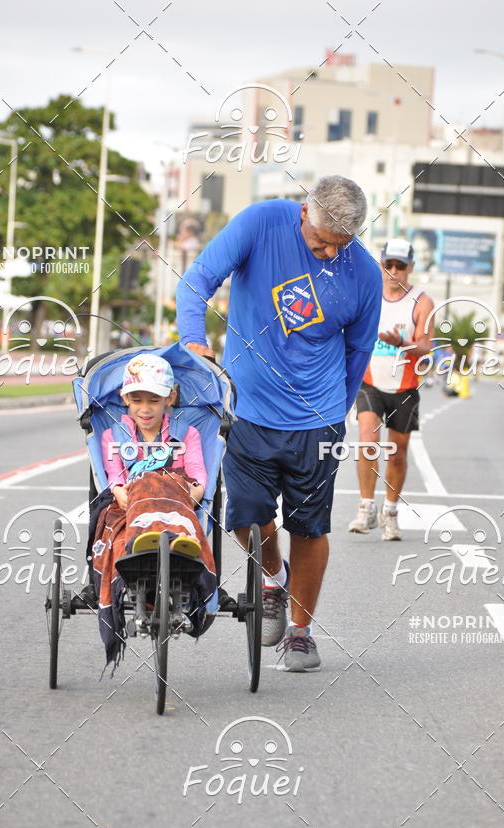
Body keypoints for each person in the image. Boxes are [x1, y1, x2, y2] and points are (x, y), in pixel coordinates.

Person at [176, 175, 382, 672]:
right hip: (249, 409)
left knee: (309, 527)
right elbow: (197, 280)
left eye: (341, 245)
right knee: (246, 518)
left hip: (319, 420)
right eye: (321, 243)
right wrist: (192, 340)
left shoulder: (366, 275)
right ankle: (271, 576)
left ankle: (301, 632)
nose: (331, 254)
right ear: (304, 214)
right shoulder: (261, 222)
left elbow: (358, 353)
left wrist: (335, 410)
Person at [92, 353, 217, 670]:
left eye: (154, 399)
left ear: (170, 397)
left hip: (176, 502)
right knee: (144, 484)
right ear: (125, 399)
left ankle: (176, 544)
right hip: (129, 506)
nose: (145, 408)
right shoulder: (113, 436)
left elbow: (199, 476)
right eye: (137, 400)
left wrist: (195, 492)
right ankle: (143, 544)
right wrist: (121, 491)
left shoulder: (186, 433)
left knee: (167, 482)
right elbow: (115, 478)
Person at [348, 238, 434, 541]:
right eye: (388, 264)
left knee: (397, 453)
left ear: (410, 267)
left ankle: (391, 512)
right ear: (381, 265)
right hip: (370, 382)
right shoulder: (369, 294)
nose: (393, 271)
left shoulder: (422, 301)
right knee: (367, 441)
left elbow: (426, 345)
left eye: (400, 265)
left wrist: (403, 344)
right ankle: (365, 507)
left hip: (404, 387)